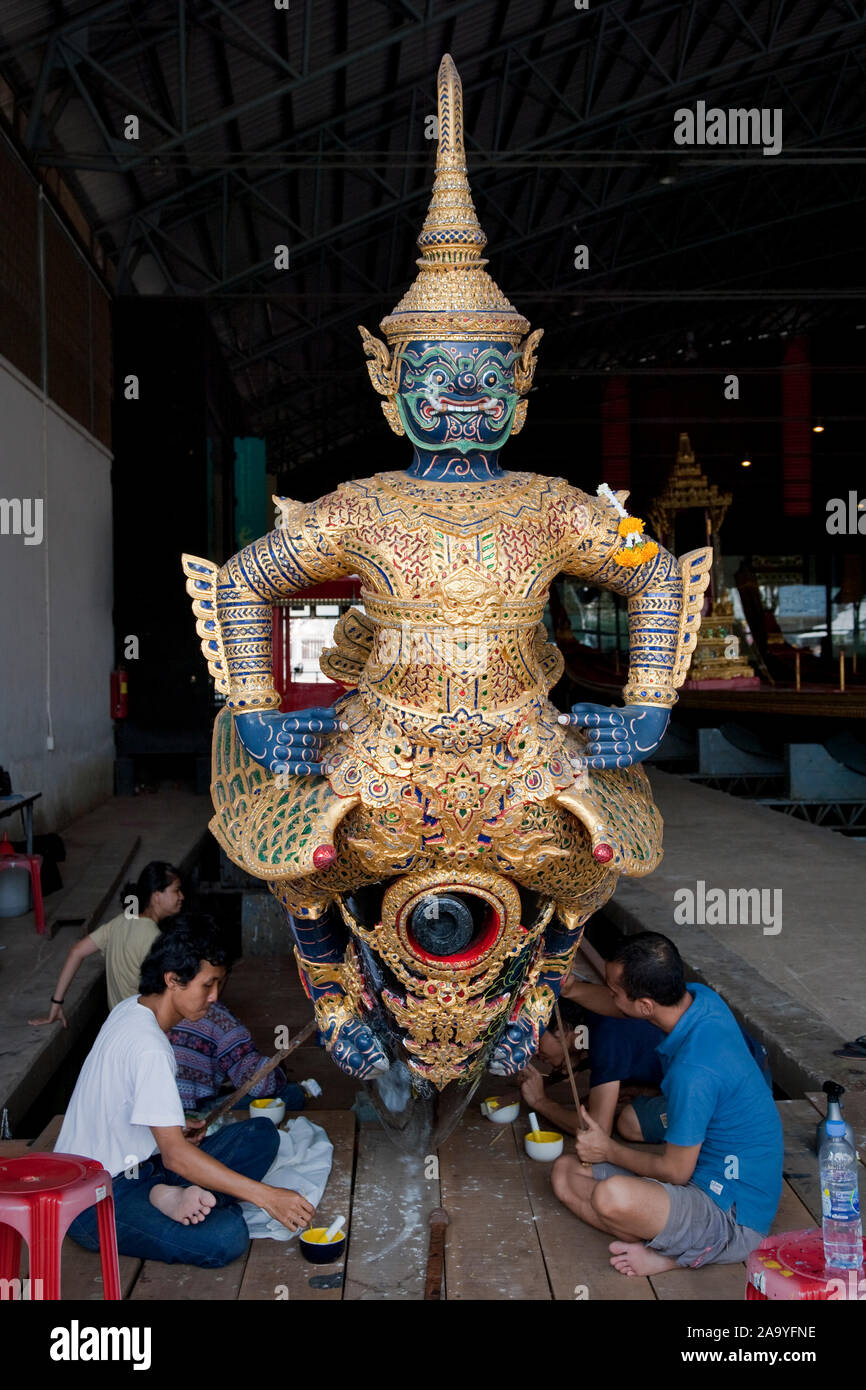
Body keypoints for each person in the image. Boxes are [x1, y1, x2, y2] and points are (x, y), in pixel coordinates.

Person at [57, 915, 315, 1268]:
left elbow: (127, 1113)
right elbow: (175, 1158)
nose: (214, 997)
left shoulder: (130, 1008)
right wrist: (268, 1198)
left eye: (219, 985)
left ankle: (171, 1195)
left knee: (261, 1133)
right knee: (227, 1236)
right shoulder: (150, 1047)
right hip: (95, 1198)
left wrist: (174, 1133)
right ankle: (163, 1196)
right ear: (173, 980)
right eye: (207, 985)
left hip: (142, 1165)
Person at [550, 932, 783, 1277]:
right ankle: (671, 1238)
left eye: (615, 990)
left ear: (645, 1006)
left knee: (611, 1197)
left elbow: (676, 1172)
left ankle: (678, 1254)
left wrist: (608, 1150)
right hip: (697, 1180)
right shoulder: (700, 1000)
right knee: (565, 1173)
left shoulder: (694, 1072)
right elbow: (622, 1005)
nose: (611, 995)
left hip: (733, 1213)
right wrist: (569, 988)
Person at [522, 972, 772, 1140]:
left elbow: (598, 1128)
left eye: (535, 1040)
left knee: (631, 1123)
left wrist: (541, 1102)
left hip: (744, 1088)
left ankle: (715, 1126)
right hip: (736, 1064)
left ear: (566, 1029)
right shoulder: (594, 1028)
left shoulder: (605, 1035)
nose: (533, 1050)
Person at [29, 861, 183, 1025]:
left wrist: (56, 1003)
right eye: (176, 890)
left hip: (115, 1024)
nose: (182, 896)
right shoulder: (155, 939)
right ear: (156, 896)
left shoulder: (119, 921)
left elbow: (77, 951)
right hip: (143, 1027)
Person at [169, 998, 307, 1113]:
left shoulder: (153, 1010)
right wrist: (278, 1074)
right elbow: (258, 1084)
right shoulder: (216, 1015)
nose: (214, 993)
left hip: (158, 1119)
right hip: (193, 1115)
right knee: (293, 1094)